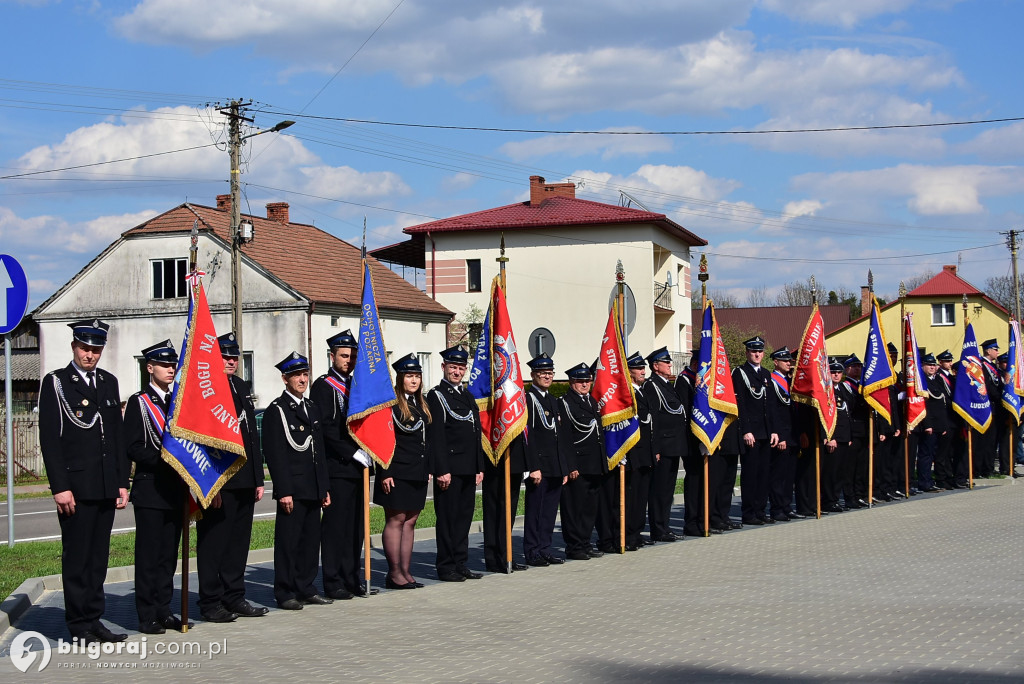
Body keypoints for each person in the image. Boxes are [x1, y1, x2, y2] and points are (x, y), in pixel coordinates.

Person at [39, 319, 128, 643]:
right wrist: (60, 487)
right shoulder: (57, 383)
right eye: (84, 348)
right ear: (74, 346)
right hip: (76, 488)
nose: (90, 355)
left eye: (95, 349)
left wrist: (122, 482)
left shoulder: (108, 382)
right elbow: (50, 439)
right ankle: (78, 625)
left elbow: (116, 437)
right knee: (77, 558)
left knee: (98, 559)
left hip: (105, 486)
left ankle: (95, 619)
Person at [196, 332, 268, 622]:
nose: (230, 361)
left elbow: (250, 436)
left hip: (244, 479)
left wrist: (258, 478)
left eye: (234, 356)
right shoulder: (205, 390)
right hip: (219, 479)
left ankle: (234, 596)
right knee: (215, 543)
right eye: (225, 356)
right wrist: (208, 485)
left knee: (238, 543)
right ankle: (210, 601)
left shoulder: (239, 385)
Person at [125, 340, 188, 634]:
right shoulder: (140, 402)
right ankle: (146, 614)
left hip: (176, 490)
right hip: (151, 489)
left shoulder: (179, 400)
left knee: (168, 557)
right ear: (149, 368)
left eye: (173, 364)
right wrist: (166, 462)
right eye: (164, 365)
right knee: (149, 557)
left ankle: (164, 609)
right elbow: (135, 447)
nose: (170, 369)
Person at [263, 352, 331, 610]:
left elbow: (319, 452)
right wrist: (284, 491)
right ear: (285, 379)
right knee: (289, 543)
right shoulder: (277, 411)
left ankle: (306, 587)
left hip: (313, 487)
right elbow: (276, 454)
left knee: (310, 542)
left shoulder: (311, 407)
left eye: (305, 374)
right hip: (293, 488)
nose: (302, 380)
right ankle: (285, 591)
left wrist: (324, 487)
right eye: (296, 375)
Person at [311, 330, 376, 600]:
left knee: (355, 528)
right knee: (336, 528)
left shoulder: (358, 386)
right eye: (344, 355)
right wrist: (352, 453)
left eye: (352, 356)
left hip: (357, 468)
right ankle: (333, 580)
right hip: (337, 466)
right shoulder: (323, 386)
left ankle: (352, 577)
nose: (348, 360)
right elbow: (326, 429)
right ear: (332, 356)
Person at [426, 346, 485, 581]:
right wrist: (442, 469)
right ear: (444, 367)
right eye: (453, 367)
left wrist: (479, 466)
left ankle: (461, 562)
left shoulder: (467, 396)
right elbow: (437, 436)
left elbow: (476, 433)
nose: (457, 372)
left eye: (461, 368)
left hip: (468, 468)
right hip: (450, 468)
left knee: (463, 518)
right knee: (448, 519)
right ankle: (446, 565)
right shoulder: (436, 395)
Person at [376, 354, 433, 589]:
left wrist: (428, 468)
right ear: (400, 378)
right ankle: (394, 572)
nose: (414, 380)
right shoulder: (390, 405)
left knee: (411, 520)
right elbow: (382, 440)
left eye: (417, 376)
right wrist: (385, 472)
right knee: (396, 519)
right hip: (397, 471)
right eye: (409, 376)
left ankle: (406, 571)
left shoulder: (421, 404)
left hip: (417, 471)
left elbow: (425, 441)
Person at [522, 353, 570, 566]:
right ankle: (532, 551)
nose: (547, 377)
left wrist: (564, 467)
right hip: (539, 465)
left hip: (555, 465)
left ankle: (545, 548)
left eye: (550, 373)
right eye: (542, 373)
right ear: (533, 375)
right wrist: (533, 467)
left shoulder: (552, 400)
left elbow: (559, 436)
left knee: (550, 511)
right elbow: (528, 436)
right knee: (535, 510)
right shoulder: (527, 399)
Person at [559, 362, 610, 560]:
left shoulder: (593, 402)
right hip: (578, 465)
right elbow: (565, 438)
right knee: (574, 508)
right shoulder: (565, 403)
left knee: (590, 507)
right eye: (580, 381)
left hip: (594, 464)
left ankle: (585, 542)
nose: (585, 384)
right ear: (572, 382)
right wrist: (571, 465)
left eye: (587, 380)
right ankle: (574, 546)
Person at [643, 347, 687, 542]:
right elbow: (655, 419)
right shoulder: (651, 386)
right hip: (664, 445)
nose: (670, 365)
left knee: (668, 490)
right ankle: (658, 529)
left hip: (674, 444)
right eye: (666, 362)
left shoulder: (667, 385)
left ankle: (665, 526)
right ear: (655, 366)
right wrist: (657, 448)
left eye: (669, 362)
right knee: (659, 490)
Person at [733, 336, 778, 525]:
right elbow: (740, 404)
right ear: (747, 353)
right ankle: (749, 512)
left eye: (760, 351)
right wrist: (746, 430)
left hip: (766, 433)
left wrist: (774, 430)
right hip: (752, 432)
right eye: (753, 351)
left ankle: (760, 510)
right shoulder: (740, 373)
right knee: (751, 474)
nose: (757, 354)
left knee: (763, 474)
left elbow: (771, 406)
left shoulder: (766, 374)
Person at [624, 352, 657, 549]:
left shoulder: (642, 391)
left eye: (643, 368)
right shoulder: (628, 393)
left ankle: (636, 532)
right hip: (634, 453)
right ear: (629, 372)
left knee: (641, 496)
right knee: (632, 496)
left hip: (645, 452)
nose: (643, 371)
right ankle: (628, 535)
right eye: (638, 368)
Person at [768, 347, 802, 520]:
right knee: (778, 475)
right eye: (785, 360)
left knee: (789, 475)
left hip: (793, 435)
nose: (789, 363)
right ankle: (777, 508)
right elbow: (774, 411)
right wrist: (779, 435)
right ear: (776, 362)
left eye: (790, 360)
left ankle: (787, 506)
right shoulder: (772, 381)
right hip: (782, 436)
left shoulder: (790, 381)